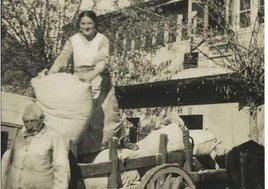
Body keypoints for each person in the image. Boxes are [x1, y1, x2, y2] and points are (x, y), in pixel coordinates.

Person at [47, 10, 137, 156]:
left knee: (108, 114)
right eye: (83, 23)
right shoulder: (73, 40)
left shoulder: (102, 40)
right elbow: (62, 59)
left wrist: (92, 75)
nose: (86, 26)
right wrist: (52, 72)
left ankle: (122, 140)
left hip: (99, 77)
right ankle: (85, 151)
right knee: (82, 115)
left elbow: (102, 62)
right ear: (79, 25)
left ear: (95, 24)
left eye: (89, 23)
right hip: (79, 79)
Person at [2, 102, 70, 189]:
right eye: (26, 122)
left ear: (42, 119)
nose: (29, 126)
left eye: (33, 121)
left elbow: (61, 170)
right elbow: (8, 165)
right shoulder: (20, 138)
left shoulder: (54, 138)